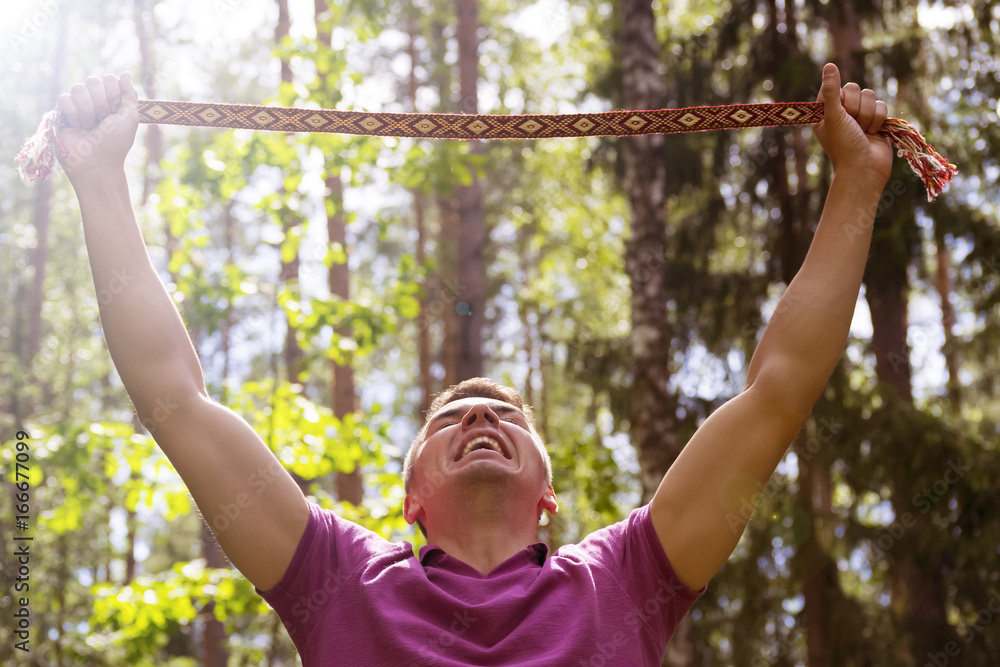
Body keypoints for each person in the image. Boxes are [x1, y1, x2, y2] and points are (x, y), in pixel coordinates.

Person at [57, 62, 891, 665]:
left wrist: (857, 182)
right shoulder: (338, 575)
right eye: (451, 418)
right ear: (410, 497)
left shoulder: (629, 574)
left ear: (551, 496)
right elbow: (176, 400)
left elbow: (777, 392)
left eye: (506, 416)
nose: (482, 417)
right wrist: (97, 182)